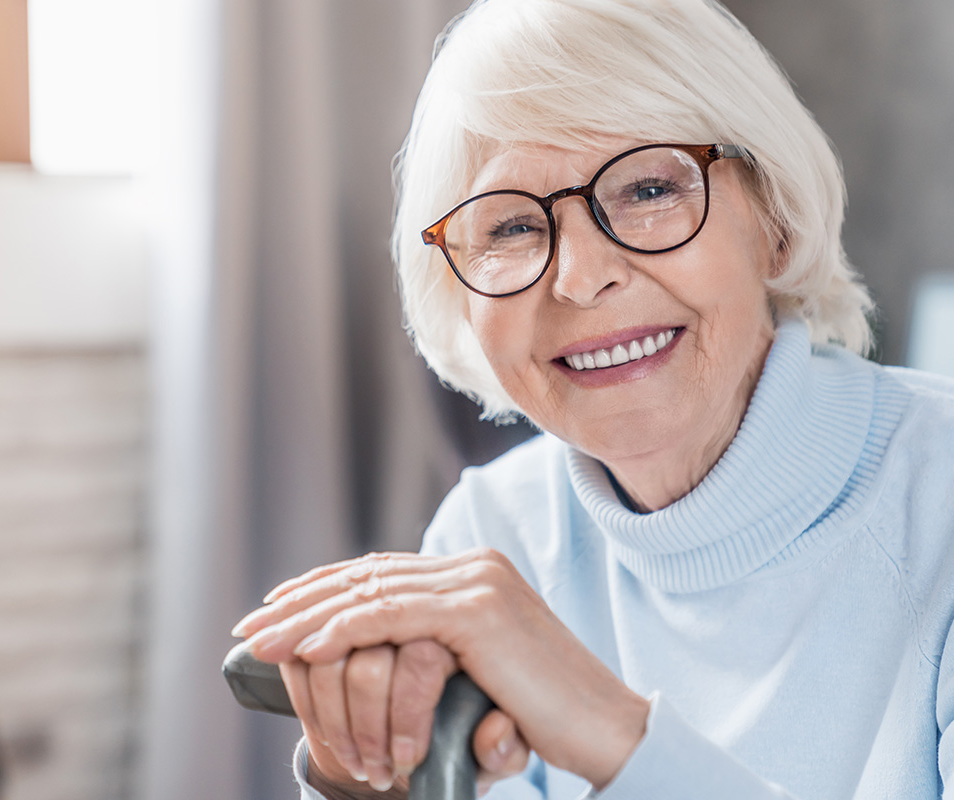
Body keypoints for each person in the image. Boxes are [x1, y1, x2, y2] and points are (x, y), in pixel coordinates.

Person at [231, 0, 954, 796]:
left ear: (774, 218)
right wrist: (364, 777)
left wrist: (613, 734)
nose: (580, 278)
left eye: (648, 187)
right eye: (509, 228)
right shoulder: (490, 533)